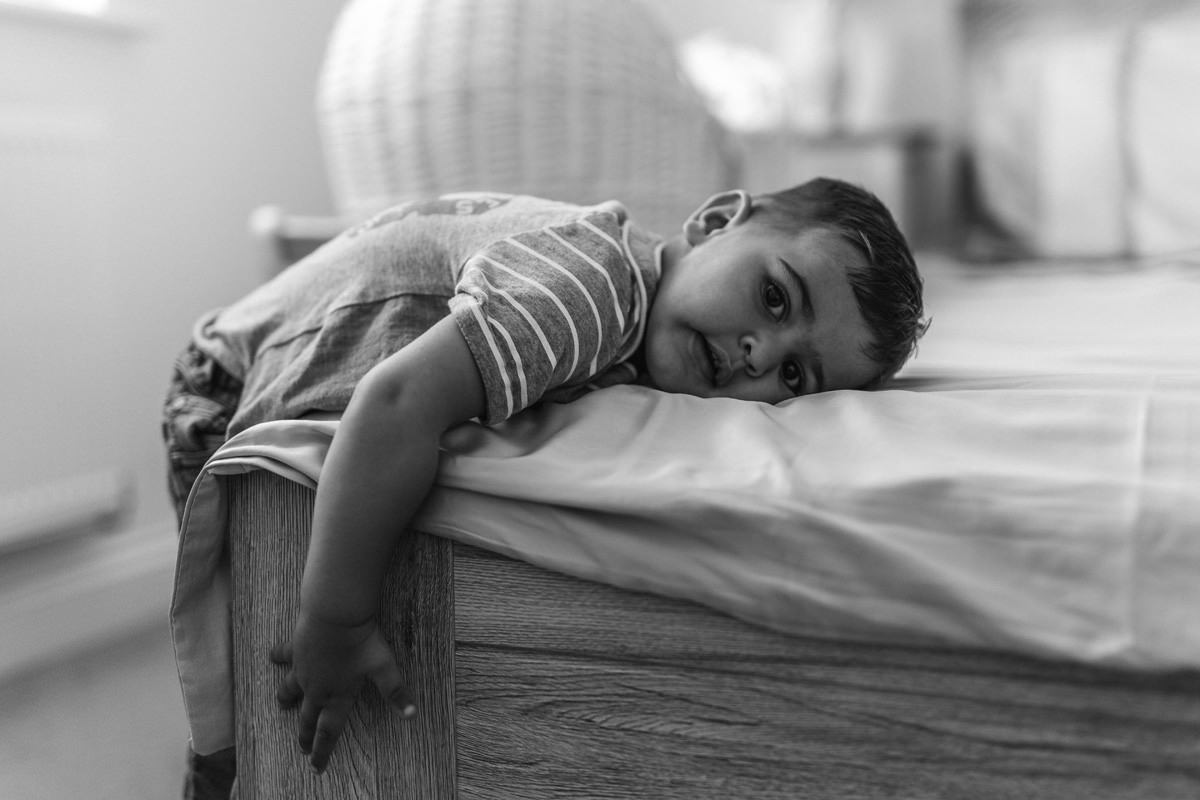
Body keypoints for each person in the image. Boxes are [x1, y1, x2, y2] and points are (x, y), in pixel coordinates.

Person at [162, 177, 925, 793]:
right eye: (774, 297)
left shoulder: (626, 290)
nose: (760, 353)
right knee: (238, 697)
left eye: (795, 374)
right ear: (717, 219)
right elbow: (396, 405)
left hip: (263, 333)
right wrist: (335, 617)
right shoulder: (590, 289)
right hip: (231, 381)